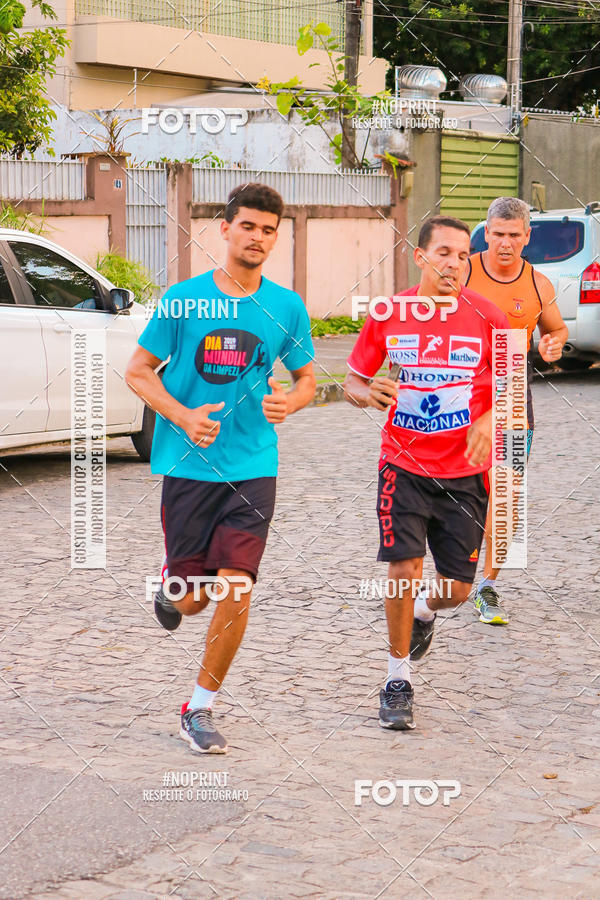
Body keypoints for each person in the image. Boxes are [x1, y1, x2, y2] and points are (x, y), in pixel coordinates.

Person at [126, 183, 316, 753]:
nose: (258, 237)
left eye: (269, 230)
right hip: (188, 466)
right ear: (224, 229)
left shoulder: (286, 306)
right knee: (193, 598)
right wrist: (182, 416)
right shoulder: (182, 300)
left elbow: (307, 378)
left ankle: (199, 706)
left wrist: (293, 401)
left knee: (236, 588)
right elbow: (138, 371)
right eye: (249, 226)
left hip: (254, 466)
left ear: (276, 238)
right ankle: (170, 589)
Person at [344, 215, 509, 731]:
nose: (454, 264)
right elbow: (353, 381)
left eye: (463, 256)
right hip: (404, 464)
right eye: (444, 253)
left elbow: (510, 387)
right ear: (421, 257)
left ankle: (425, 612)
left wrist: (486, 418)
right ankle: (398, 680)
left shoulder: (490, 318)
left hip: (465, 473)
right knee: (402, 568)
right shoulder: (389, 313)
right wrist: (367, 393)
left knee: (457, 590)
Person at [465, 196, 568, 625]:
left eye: (514, 235)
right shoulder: (462, 271)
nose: (505, 243)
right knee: (460, 488)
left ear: (527, 237)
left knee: (505, 491)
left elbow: (556, 329)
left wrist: (552, 344)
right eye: (498, 234)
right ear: (486, 233)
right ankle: (452, 567)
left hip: (510, 382)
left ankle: (486, 587)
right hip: (459, 388)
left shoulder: (538, 284)